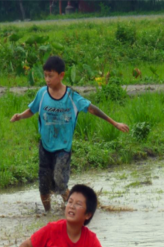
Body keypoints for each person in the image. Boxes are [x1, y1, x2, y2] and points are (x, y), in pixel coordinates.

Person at [10, 56, 129, 212]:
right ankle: (47, 214)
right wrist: (20, 116)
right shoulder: (42, 94)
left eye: (50, 76)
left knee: (59, 181)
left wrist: (114, 123)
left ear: (61, 75)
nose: (47, 79)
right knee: (44, 185)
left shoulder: (72, 96)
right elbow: (32, 110)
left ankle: (76, 210)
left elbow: (92, 109)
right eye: (45, 75)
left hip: (63, 148)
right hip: (45, 147)